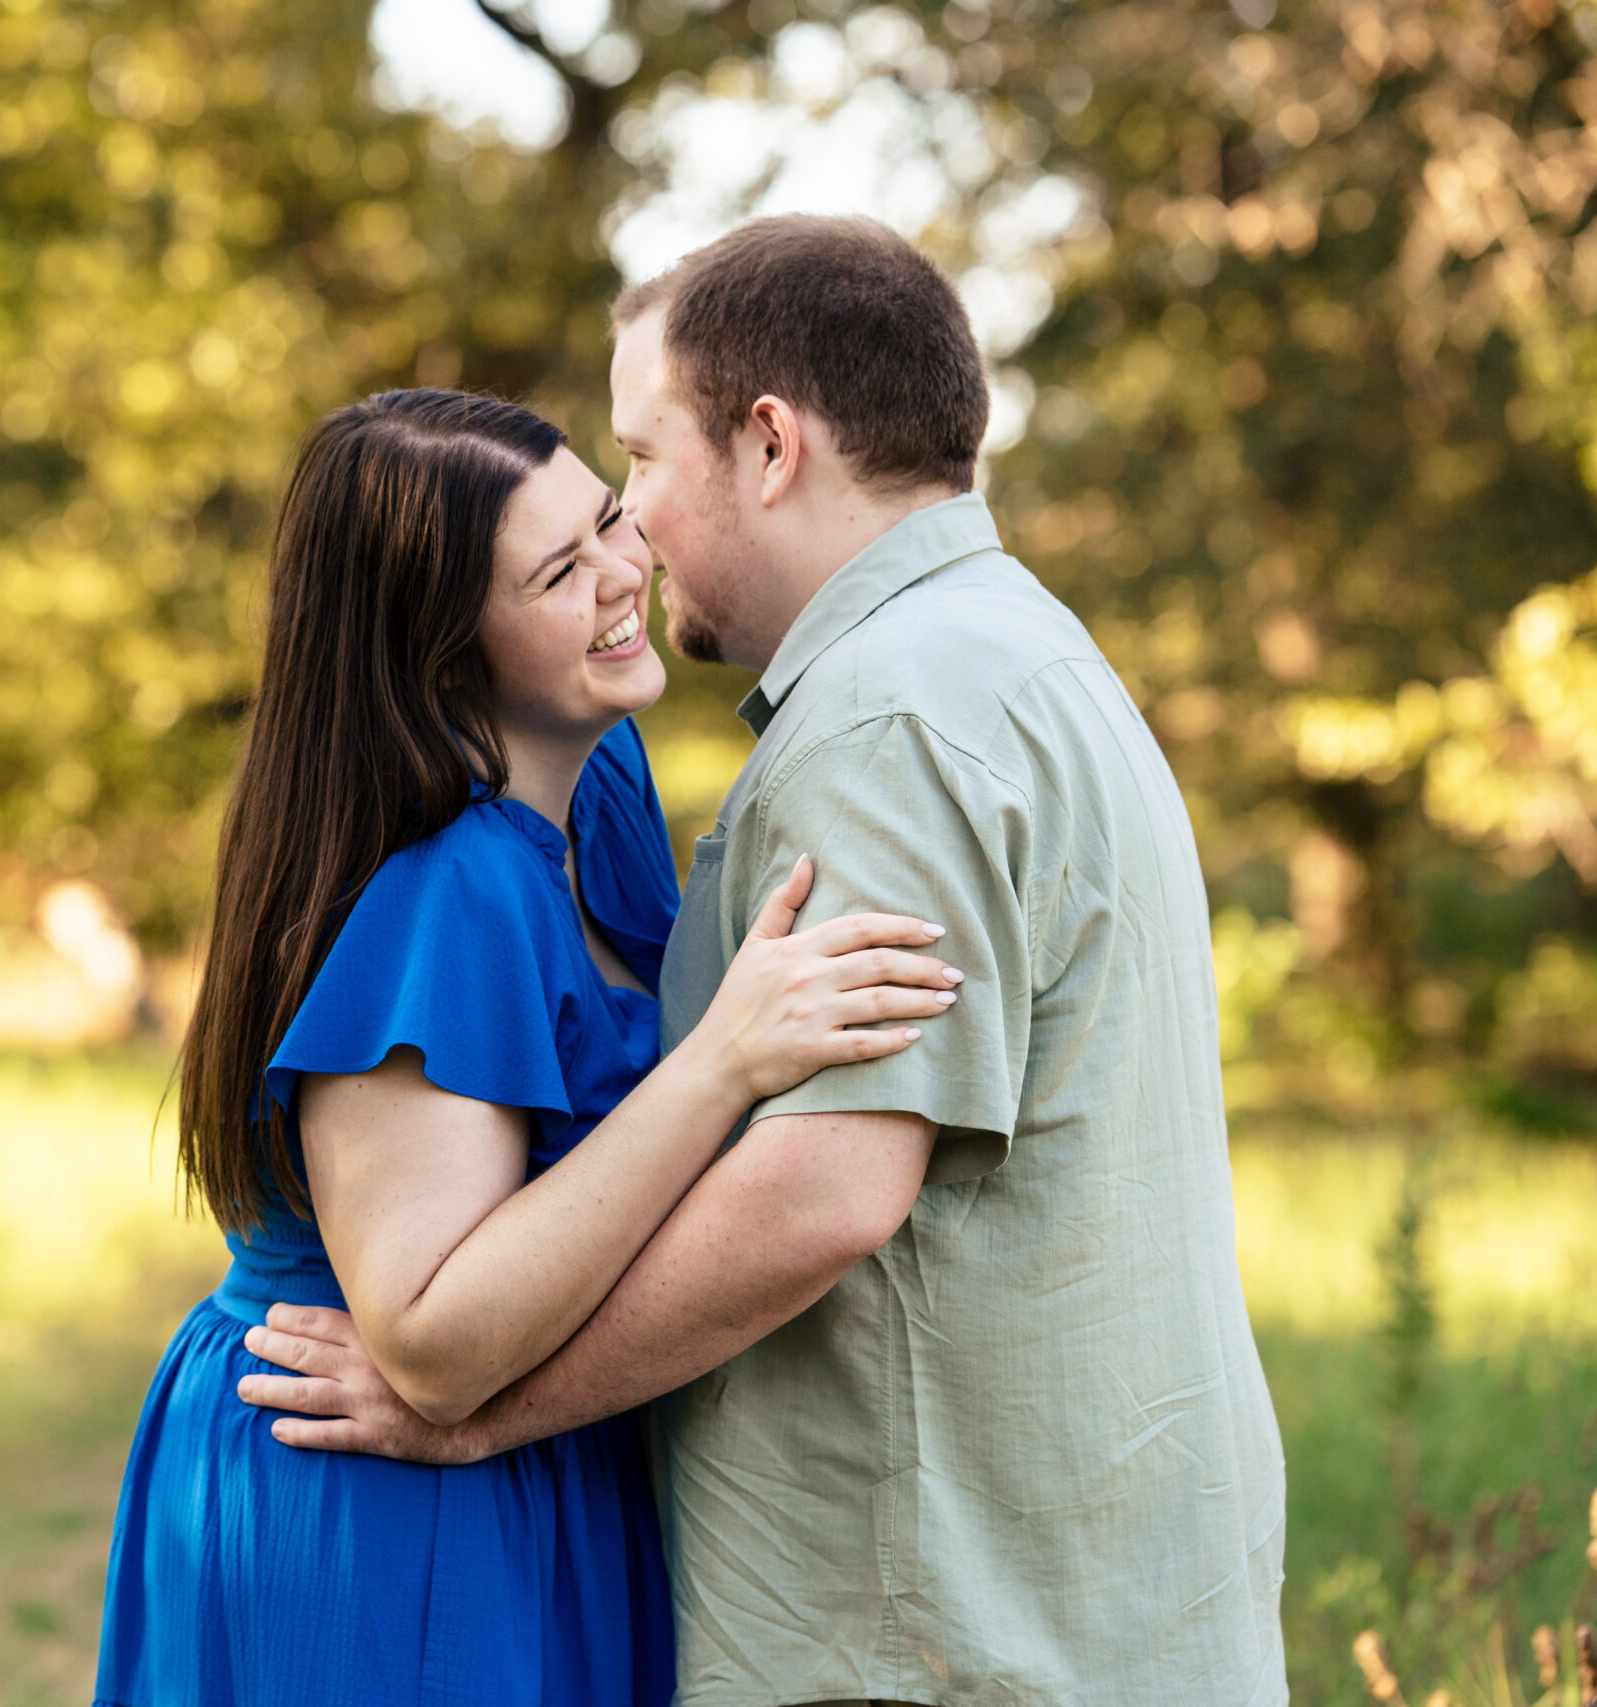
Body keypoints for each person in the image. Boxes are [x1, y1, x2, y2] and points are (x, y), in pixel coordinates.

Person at [240, 216, 1289, 1706]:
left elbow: (826, 1188)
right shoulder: (1016, 647)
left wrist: (485, 1417)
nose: (635, 534)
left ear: (771, 444)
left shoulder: (884, 721)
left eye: (641, 467)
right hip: (1058, 1603)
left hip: (939, 1626)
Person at [91, 387, 965, 1707]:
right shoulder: (450, 890)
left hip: (519, 1464)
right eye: (560, 572)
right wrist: (724, 1061)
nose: (625, 572)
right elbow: (433, 1338)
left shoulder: (598, 782)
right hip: (378, 1498)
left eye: (609, 518)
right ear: (444, 658)